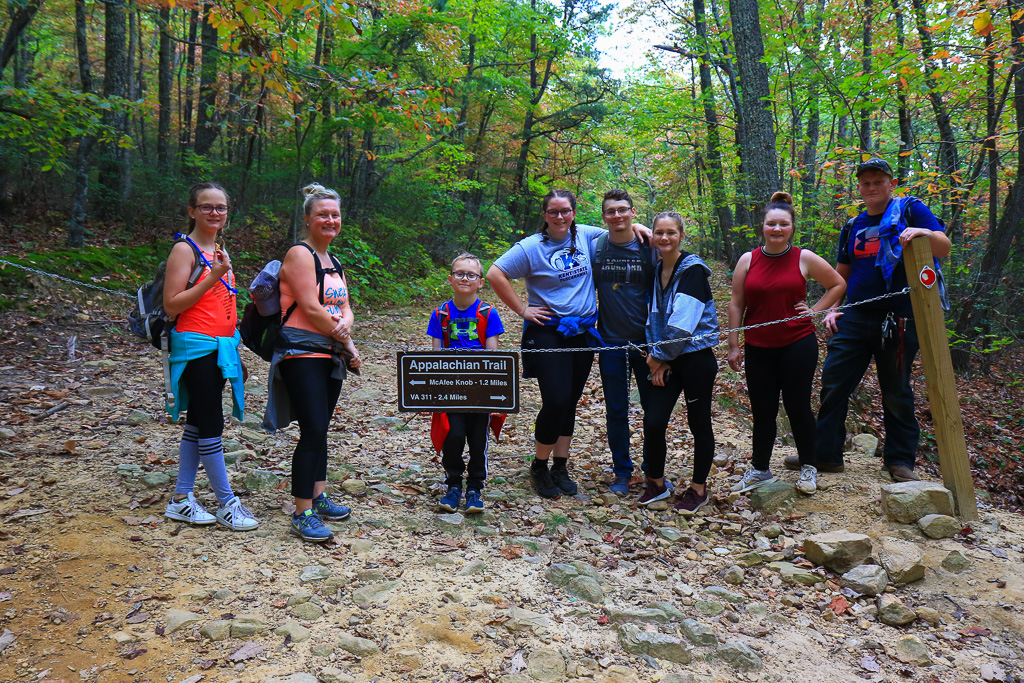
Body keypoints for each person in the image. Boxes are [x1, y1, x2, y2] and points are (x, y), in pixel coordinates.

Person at [788, 157, 951, 482]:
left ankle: (899, 461)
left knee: (896, 389)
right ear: (859, 188)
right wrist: (833, 308)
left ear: (891, 183)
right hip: (856, 315)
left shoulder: (910, 209)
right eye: (866, 183)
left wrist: (921, 231)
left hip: (902, 316)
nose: (872, 187)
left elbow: (943, 246)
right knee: (834, 383)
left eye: (878, 181)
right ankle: (827, 454)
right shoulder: (853, 226)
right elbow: (842, 275)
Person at [487, 190, 644, 499]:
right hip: (548, 331)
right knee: (556, 400)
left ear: (574, 213)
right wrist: (522, 309)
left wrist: (642, 228)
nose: (560, 217)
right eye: (553, 212)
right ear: (544, 215)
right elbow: (495, 273)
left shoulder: (586, 235)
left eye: (565, 211)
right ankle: (539, 465)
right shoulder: (531, 247)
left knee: (570, 401)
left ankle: (561, 465)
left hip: (583, 331)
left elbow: (619, 229)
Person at [726, 192, 846, 496]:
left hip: (797, 343)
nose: (777, 229)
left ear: (792, 227)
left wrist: (817, 309)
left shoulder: (803, 257)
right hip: (758, 346)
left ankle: (809, 467)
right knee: (763, 410)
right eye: (771, 224)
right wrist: (733, 344)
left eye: (783, 224)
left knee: (798, 407)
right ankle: (760, 469)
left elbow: (838, 284)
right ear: (762, 227)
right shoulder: (747, 259)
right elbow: (736, 304)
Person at [264, 183, 361, 542]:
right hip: (302, 352)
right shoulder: (300, 255)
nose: (330, 220)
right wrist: (348, 341)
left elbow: (344, 306)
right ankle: (302, 511)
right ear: (307, 218)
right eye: (322, 214)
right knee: (313, 430)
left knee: (321, 429)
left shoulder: (333, 260)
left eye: (335, 215)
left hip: (329, 353)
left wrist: (347, 325)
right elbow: (309, 307)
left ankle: (318, 495)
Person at [163, 182, 258, 531]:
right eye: (206, 207)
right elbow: (172, 304)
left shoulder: (217, 249)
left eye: (220, 207)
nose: (214, 213)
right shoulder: (183, 250)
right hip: (195, 347)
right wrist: (214, 275)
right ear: (192, 211)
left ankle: (181, 499)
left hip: (220, 347)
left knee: (198, 422)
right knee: (211, 423)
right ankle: (226, 501)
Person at [642, 212, 720, 512]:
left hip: (696, 358)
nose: (664, 238)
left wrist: (659, 358)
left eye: (671, 233)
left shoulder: (693, 270)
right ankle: (657, 483)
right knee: (654, 420)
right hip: (667, 359)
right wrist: (659, 359)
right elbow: (654, 317)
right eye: (659, 232)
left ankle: (698, 489)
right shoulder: (657, 269)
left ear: (681, 236)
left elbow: (682, 324)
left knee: (698, 423)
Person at [428, 252, 505, 514]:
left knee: (477, 437)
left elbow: (493, 353)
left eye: (471, 275)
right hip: (452, 387)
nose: (465, 278)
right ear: (450, 279)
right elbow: (437, 354)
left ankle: (475, 487)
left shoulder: (488, 312)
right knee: (454, 433)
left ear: (480, 282)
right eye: (459, 273)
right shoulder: (440, 314)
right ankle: (453, 484)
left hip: (480, 388)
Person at [592, 189, 656, 495]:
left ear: (633, 213)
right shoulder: (596, 247)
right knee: (616, 409)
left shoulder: (649, 247)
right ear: (603, 217)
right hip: (610, 343)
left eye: (622, 210)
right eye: (611, 211)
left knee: (653, 408)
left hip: (646, 343)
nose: (617, 215)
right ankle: (622, 471)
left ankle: (653, 471)